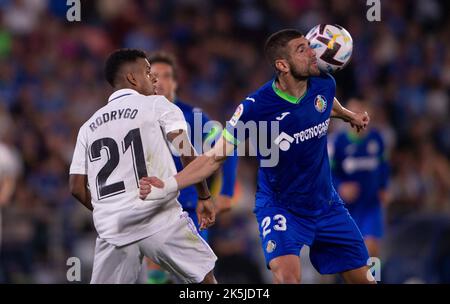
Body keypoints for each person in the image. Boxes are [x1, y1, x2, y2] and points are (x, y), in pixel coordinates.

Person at [139, 29, 376, 284]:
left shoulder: (324, 83)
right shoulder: (255, 107)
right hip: (281, 207)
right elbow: (213, 158)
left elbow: (327, 103)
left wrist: (348, 115)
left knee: (365, 280)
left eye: (309, 45)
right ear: (282, 65)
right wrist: (168, 185)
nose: (313, 52)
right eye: (302, 49)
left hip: (326, 204)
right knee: (287, 278)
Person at [69, 48, 218, 284]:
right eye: (148, 71)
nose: (154, 78)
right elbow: (185, 151)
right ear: (132, 78)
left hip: (113, 231)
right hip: (159, 219)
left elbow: (76, 187)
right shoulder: (157, 105)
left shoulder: (88, 127)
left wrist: (110, 209)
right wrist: (204, 195)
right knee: (204, 279)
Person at [145, 51, 238, 284]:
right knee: (153, 271)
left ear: (175, 82)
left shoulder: (193, 117)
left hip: (188, 211)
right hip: (151, 208)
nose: (160, 81)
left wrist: (226, 193)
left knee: (200, 278)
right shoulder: (137, 118)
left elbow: (229, 148)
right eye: (154, 76)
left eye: (166, 75)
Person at [329, 97, 390, 258]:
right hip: (348, 208)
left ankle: (373, 280)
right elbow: (329, 174)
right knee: (349, 255)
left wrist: (384, 187)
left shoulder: (376, 139)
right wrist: (341, 187)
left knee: (371, 250)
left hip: (370, 205)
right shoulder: (338, 142)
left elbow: (383, 166)